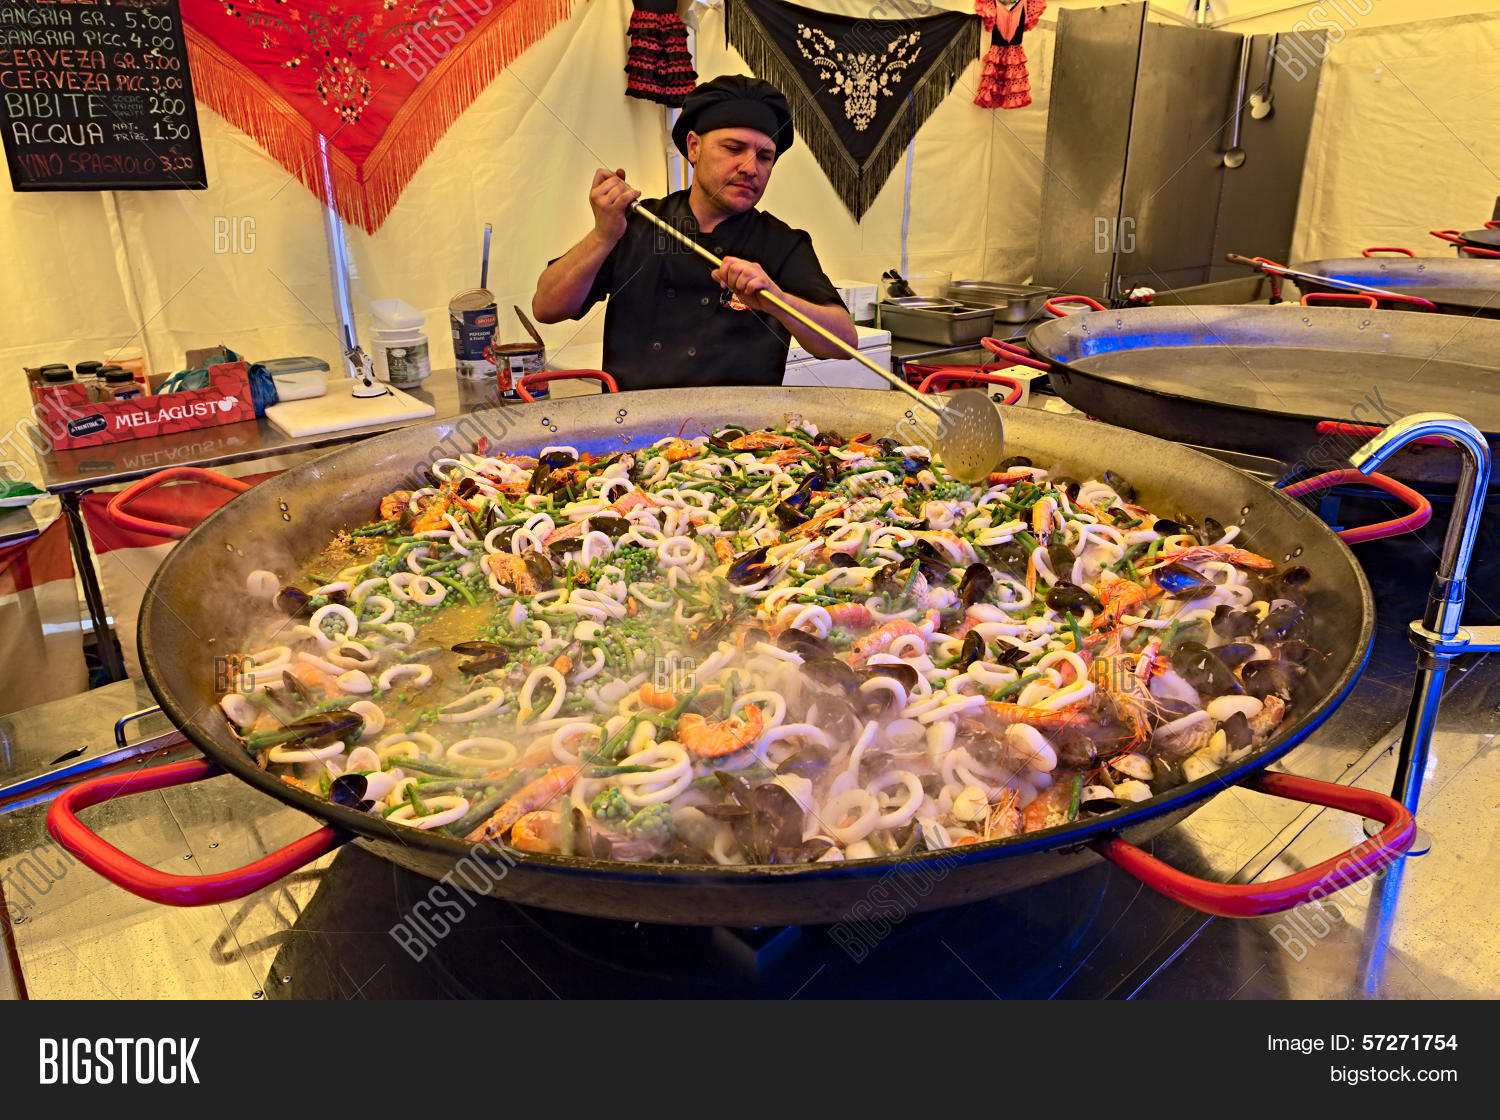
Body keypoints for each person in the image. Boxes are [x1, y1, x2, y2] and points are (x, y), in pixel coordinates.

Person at [531, 75, 857, 391]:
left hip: (740, 439)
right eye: (733, 148)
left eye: (765, 156)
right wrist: (603, 235)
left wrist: (779, 301)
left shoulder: (783, 244)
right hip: (633, 434)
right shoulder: (638, 224)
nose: (750, 167)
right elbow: (547, 307)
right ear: (694, 147)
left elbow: (844, 343)